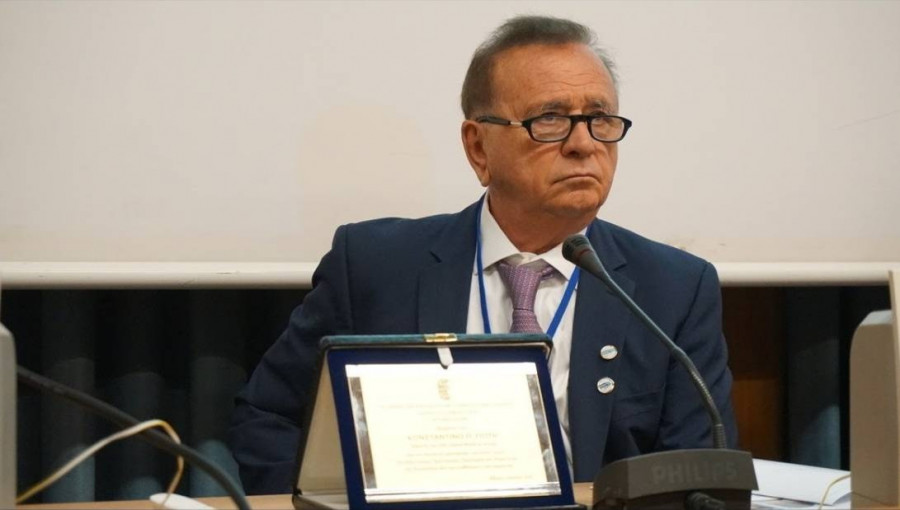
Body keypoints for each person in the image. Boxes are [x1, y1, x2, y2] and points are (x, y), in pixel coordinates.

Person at [229, 14, 737, 495]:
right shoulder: (375, 266)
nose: (584, 144)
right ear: (478, 147)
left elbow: (697, 469)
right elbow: (270, 418)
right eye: (551, 119)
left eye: (600, 119)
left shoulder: (673, 289)